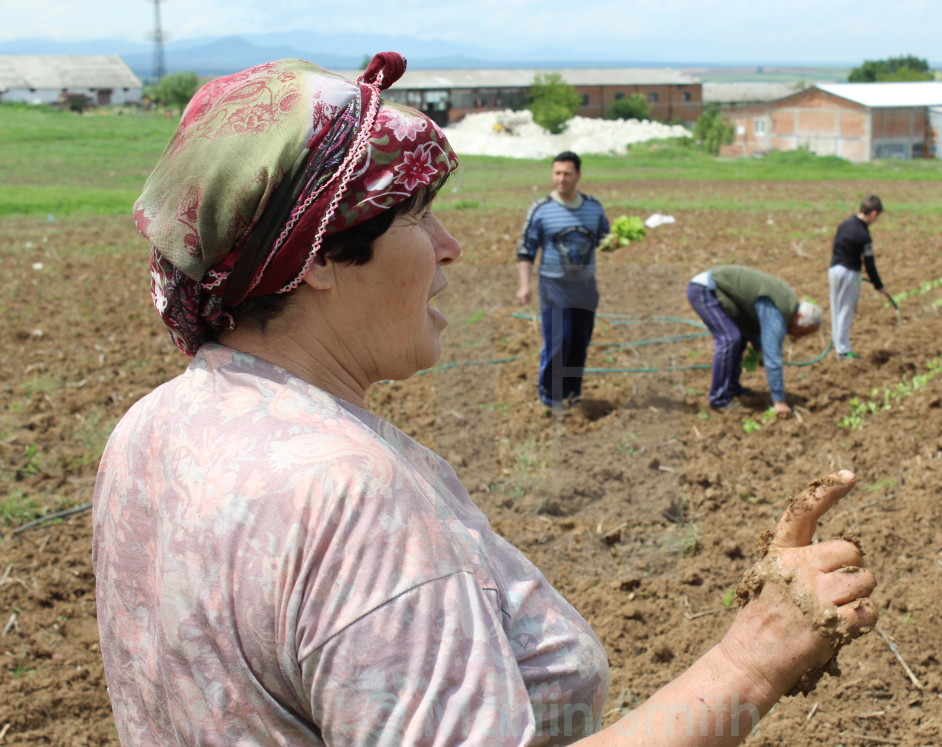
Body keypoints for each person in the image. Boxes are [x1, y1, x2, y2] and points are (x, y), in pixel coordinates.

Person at [93, 55, 876, 746]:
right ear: (320, 257)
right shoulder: (349, 497)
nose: (448, 245)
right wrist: (751, 663)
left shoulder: (149, 430)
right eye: (416, 214)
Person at [515, 151, 610, 409]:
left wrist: (618, 240)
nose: (561, 179)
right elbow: (526, 250)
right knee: (559, 341)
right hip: (554, 286)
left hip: (586, 287)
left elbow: (604, 240)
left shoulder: (593, 207)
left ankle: (572, 393)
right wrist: (525, 285)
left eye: (567, 173)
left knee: (579, 342)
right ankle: (550, 396)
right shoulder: (541, 209)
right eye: (557, 173)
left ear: (578, 175)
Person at [687, 265, 823, 416]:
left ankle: (732, 388)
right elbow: (772, 356)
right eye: (801, 333)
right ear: (799, 317)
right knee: (729, 339)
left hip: (723, 293)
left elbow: (755, 327)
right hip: (705, 290)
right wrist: (779, 401)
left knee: (740, 337)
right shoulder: (778, 312)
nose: (797, 337)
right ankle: (719, 399)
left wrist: (759, 347)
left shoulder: (786, 303)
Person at [828, 195, 889, 360]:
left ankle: (838, 346)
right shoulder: (863, 234)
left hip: (834, 269)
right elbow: (869, 264)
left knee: (836, 309)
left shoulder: (845, 224)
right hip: (850, 273)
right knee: (846, 311)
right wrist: (878, 285)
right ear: (874, 213)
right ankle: (843, 350)